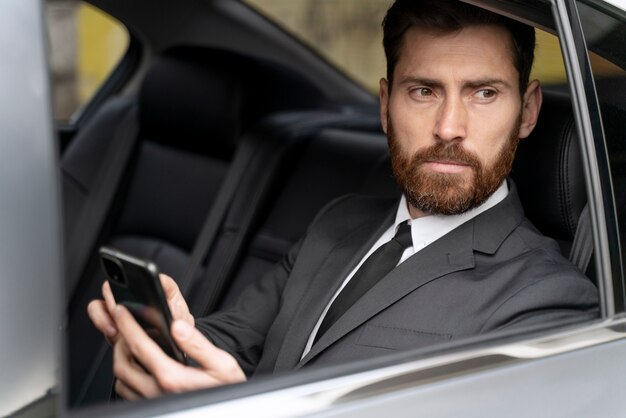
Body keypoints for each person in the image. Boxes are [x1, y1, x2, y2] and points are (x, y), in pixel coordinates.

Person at [88, 0, 598, 400]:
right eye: (423, 90)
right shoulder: (338, 222)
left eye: (483, 93)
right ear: (385, 105)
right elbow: (238, 342)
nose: (449, 127)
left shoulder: (549, 306)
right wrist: (168, 349)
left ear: (527, 111)